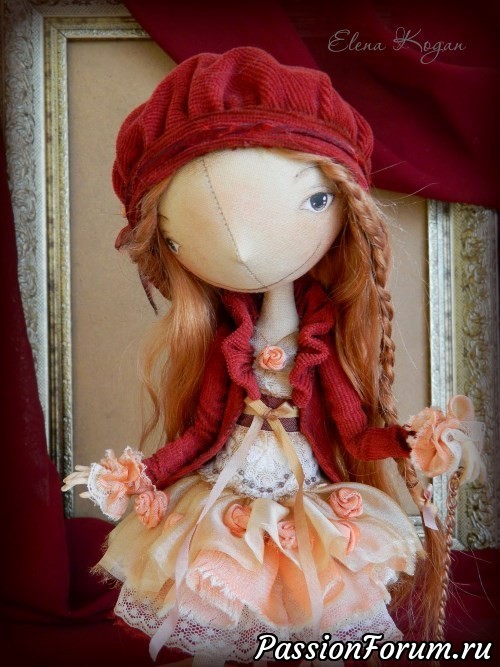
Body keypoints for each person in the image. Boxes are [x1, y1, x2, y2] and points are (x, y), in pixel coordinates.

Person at [63, 47, 484, 666]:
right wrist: (144, 474)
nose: (242, 247)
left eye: (313, 201)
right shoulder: (225, 343)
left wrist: (409, 441)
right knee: (222, 583)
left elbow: (354, 432)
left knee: (310, 591)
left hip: (306, 493)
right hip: (228, 488)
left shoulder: (320, 342)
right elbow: (203, 431)